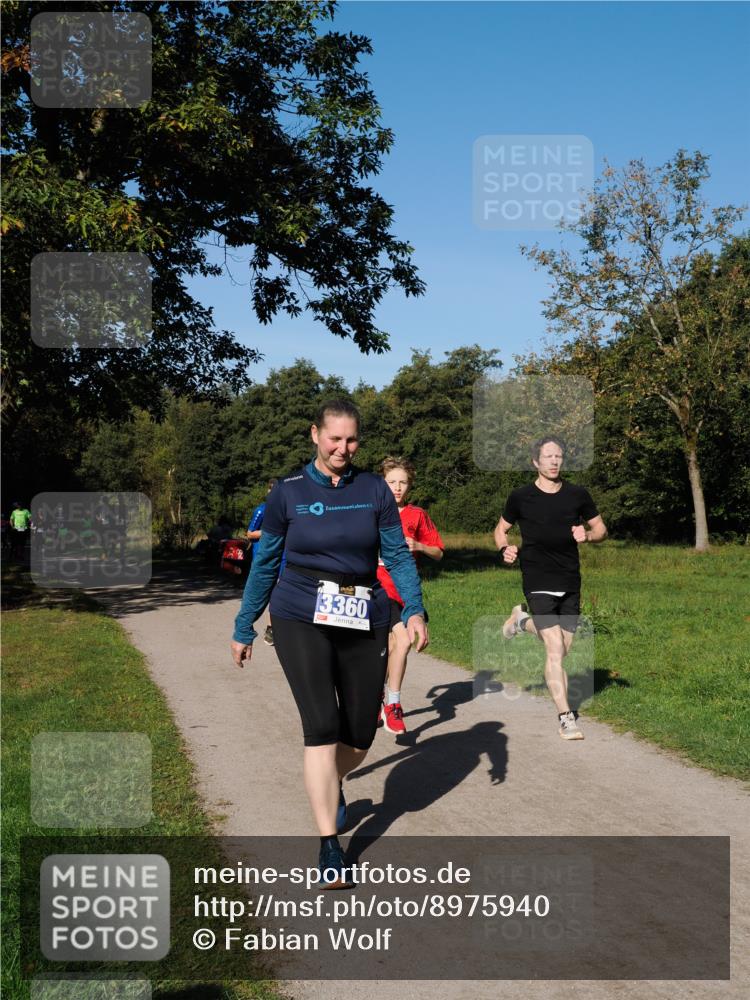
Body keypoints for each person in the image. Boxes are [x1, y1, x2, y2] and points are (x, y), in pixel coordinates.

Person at [230, 400, 429, 887]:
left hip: (362, 610)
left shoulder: (374, 489)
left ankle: (332, 781)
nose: (343, 448)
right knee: (321, 725)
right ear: (315, 434)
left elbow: (397, 554)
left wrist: (415, 606)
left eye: (352, 439)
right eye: (334, 438)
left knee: (359, 735)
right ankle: (329, 845)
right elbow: (265, 563)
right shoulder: (288, 494)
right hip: (300, 610)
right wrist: (244, 624)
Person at [493, 437, 607, 741]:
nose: (554, 461)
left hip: (569, 579)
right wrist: (505, 548)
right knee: (555, 647)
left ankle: (519, 622)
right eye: (548, 456)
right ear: (536, 462)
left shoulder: (577, 495)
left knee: (562, 649)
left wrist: (589, 535)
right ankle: (566, 717)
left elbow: (601, 529)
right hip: (537, 578)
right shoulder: (520, 497)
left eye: (559, 456)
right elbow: (500, 529)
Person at [375, 457, 444, 735]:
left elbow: (439, 551)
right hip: (375, 589)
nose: (397, 487)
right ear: (382, 483)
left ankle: (392, 703)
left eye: (403, 482)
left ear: (410, 485)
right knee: (383, 649)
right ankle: (377, 700)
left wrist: (419, 546)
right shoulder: (372, 511)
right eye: (392, 482)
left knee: (401, 643)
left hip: (404, 590)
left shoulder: (417, 515)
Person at [245, 479, 280, 644]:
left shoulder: (286, 511)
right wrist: (270, 532)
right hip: (261, 557)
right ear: (268, 492)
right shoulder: (261, 510)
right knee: (261, 594)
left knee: (277, 593)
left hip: (282, 558)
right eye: (271, 490)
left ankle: (271, 628)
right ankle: (246, 628)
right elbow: (250, 533)